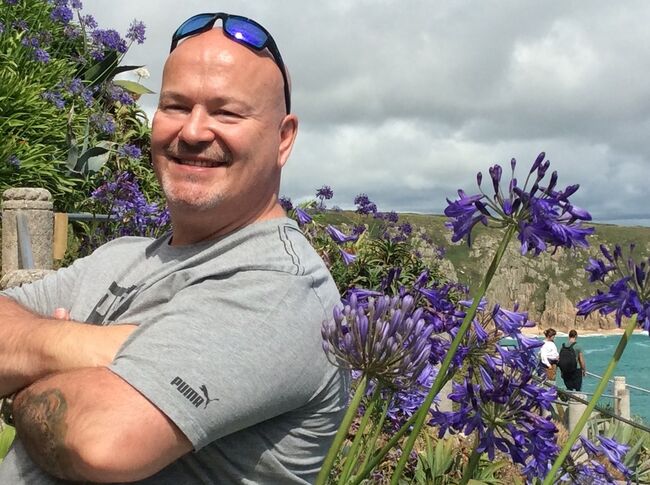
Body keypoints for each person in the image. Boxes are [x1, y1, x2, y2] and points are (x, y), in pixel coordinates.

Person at [0, 12, 349, 484]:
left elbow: (99, 441)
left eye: (226, 112)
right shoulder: (120, 254)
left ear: (283, 139)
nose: (192, 132)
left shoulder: (281, 287)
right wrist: (86, 347)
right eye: (176, 106)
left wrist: (21, 385)